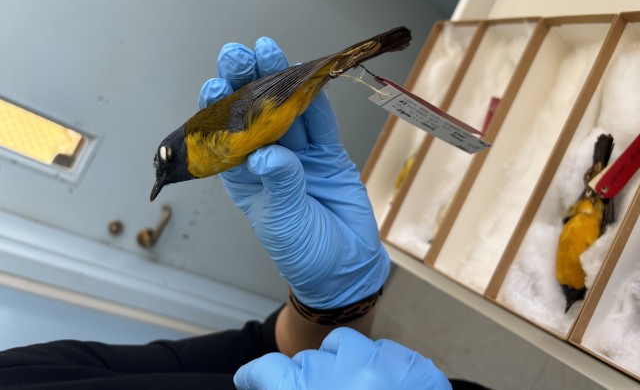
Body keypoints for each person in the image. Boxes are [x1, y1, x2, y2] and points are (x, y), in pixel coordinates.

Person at [0, 37, 456, 389]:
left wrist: (336, 303)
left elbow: (261, 347)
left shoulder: (27, 370)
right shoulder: (196, 152)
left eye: (165, 168)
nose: (168, 175)